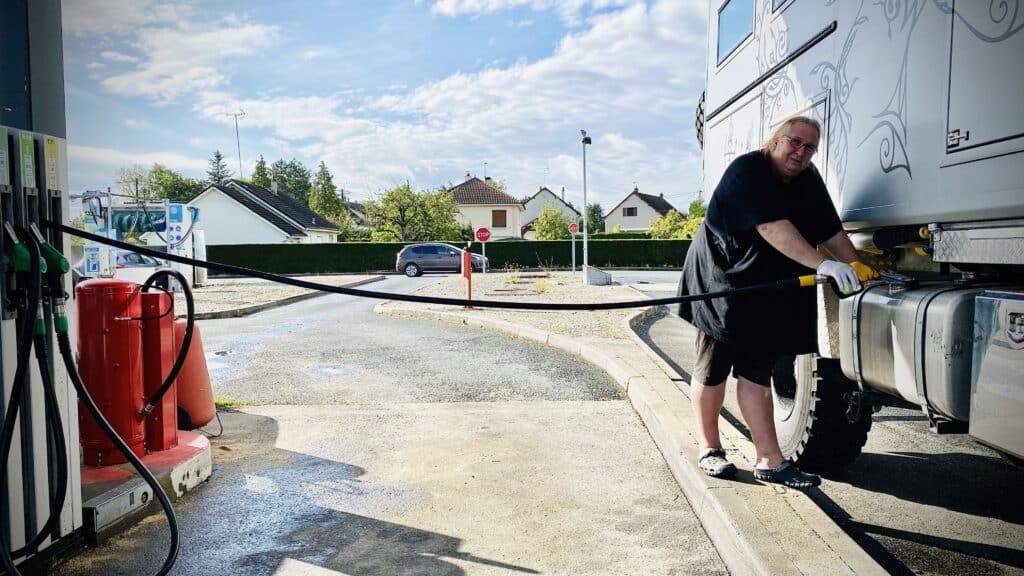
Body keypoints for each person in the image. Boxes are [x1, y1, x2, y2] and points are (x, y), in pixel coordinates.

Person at [677, 116, 875, 489]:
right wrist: (825, 264)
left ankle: (770, 460)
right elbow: (771, 227)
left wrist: (858, 265)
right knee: (713, 371)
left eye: (809, 147)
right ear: (775, 141)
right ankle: (710, 448)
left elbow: (830, 229)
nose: (801, 152)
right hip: (723, 283)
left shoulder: (807, 180)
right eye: (794, 142)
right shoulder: (747, 171)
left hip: (768, 291)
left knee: (757, 374)